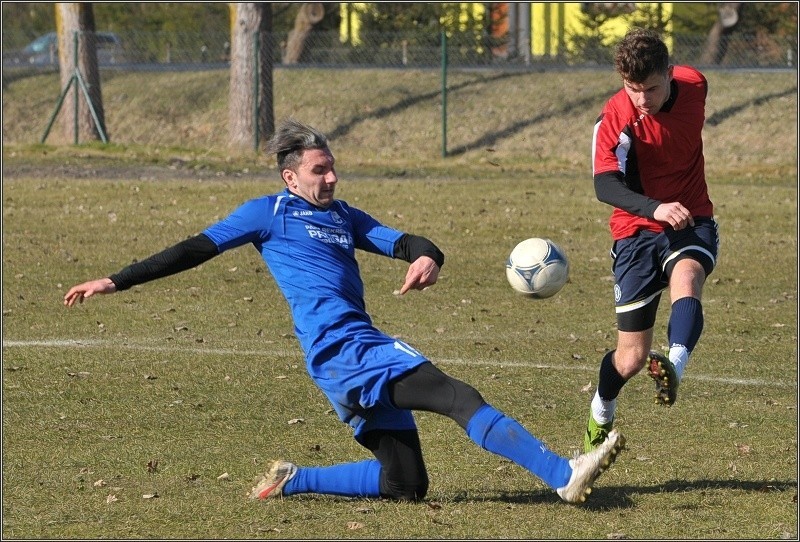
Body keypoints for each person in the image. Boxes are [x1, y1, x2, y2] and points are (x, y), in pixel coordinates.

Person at [64, 118, 625, 504]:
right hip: (344, 348)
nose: (330, 178)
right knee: (457, 396)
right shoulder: (266, 214)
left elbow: (406, 239)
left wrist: (426, 257)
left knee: (406, 484)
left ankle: (293, 480)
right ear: (290, 177)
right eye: (318, 171)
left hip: (342, 360)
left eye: (332, 168)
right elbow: (193, 249)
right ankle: (562, 475)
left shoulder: (343, 215)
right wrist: (116, 281)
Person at [585, 28, 719, 452]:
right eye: (632, 88)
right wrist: (654, 207)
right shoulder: (617, 116)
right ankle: (601, 410)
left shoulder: (694, 84)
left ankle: (675, 363)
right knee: (630, 359)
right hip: (635, 232)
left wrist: (672, 210)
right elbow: (605, 185)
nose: (642, 98)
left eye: (652, 88)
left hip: (691, 217)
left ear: (670, 73)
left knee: (688, 274)